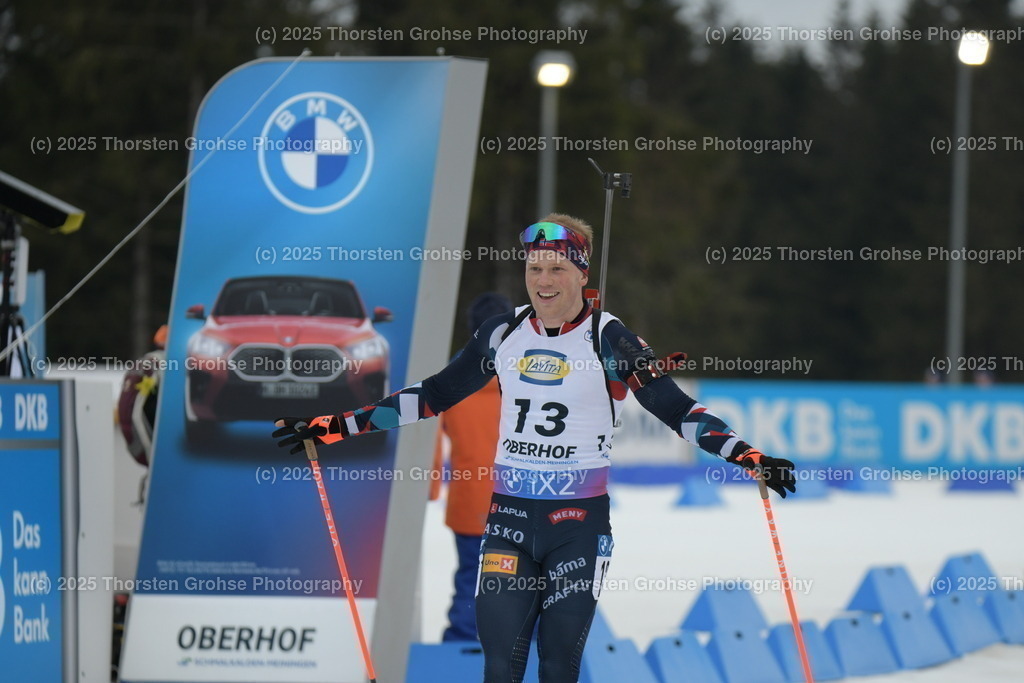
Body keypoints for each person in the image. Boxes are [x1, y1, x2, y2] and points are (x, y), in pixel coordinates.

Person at [273, 214, 796, 683]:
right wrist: (333, 427)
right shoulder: (503, 332)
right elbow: (431, 396)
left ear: (582, 274)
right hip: (509, 521)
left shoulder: (609, 338)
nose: (543, 280)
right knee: (500, 666)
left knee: (556, 666)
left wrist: (749, 457)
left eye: (557, 269)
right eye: (534, 269)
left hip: (577, 527)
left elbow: (676, 409)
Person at [433, 292, 513, 642]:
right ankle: (523, 643)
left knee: (470, 574)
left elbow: (427, 439)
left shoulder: (448, 381)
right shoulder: (532, 379)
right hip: (522, 499)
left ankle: (461, 641)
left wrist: (429, 487)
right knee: (524, 578)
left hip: (469, 500)